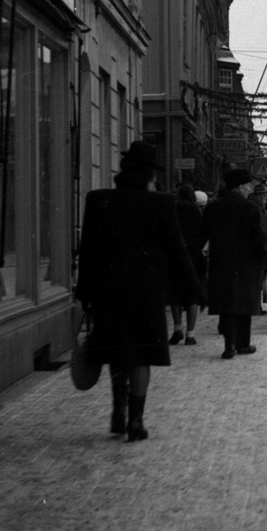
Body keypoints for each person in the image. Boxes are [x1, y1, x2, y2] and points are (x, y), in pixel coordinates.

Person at [76, 140, 201, 441]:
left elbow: (88, 250)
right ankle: (136, 421)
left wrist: (85, 293)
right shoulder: (160, 202)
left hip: (108, 293)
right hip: (146, 293)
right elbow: (177, 250)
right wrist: (195, 288)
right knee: (142, 355)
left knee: (118, 352)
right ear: (149, 175)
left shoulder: (98, 199)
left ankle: (117, 412)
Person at [203, 168, 267, 359]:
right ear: (240, 186)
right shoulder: (251, 209)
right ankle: (243, 344)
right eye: (249, 185)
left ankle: (229, 344)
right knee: (244, 304)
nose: (250, 189)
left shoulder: (212, 207)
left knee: (227, 304)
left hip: (220, 263)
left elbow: (203, 234)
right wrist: (265, 258)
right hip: (247, 265)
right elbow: (260, 239)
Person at [170, 184, 206, 345]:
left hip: (176, 256)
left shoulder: (172, 210)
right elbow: (202, 234)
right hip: (194, 257)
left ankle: (177, 329)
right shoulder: (196, 211)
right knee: (192, 296)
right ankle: (190, 334)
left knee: (175, 294)